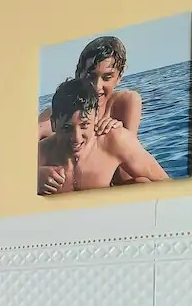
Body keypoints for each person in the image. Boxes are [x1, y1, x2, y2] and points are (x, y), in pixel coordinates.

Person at [37, 78, 167, 195]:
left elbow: (165, 182)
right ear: (53, 124)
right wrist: (32, 181)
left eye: (84, 125)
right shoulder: (38, 155)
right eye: (67, 128)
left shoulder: (116, 140)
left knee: (142, 183)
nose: (76, 138)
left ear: (96, 119)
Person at [38, 36, 142, 141]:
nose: (97, 87)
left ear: (119, 77)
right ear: (78, 74)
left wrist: (121, 133)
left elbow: (133, 147)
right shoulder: (57, 112)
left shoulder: (125, 102)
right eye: (90, 77)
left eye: (107, 78)